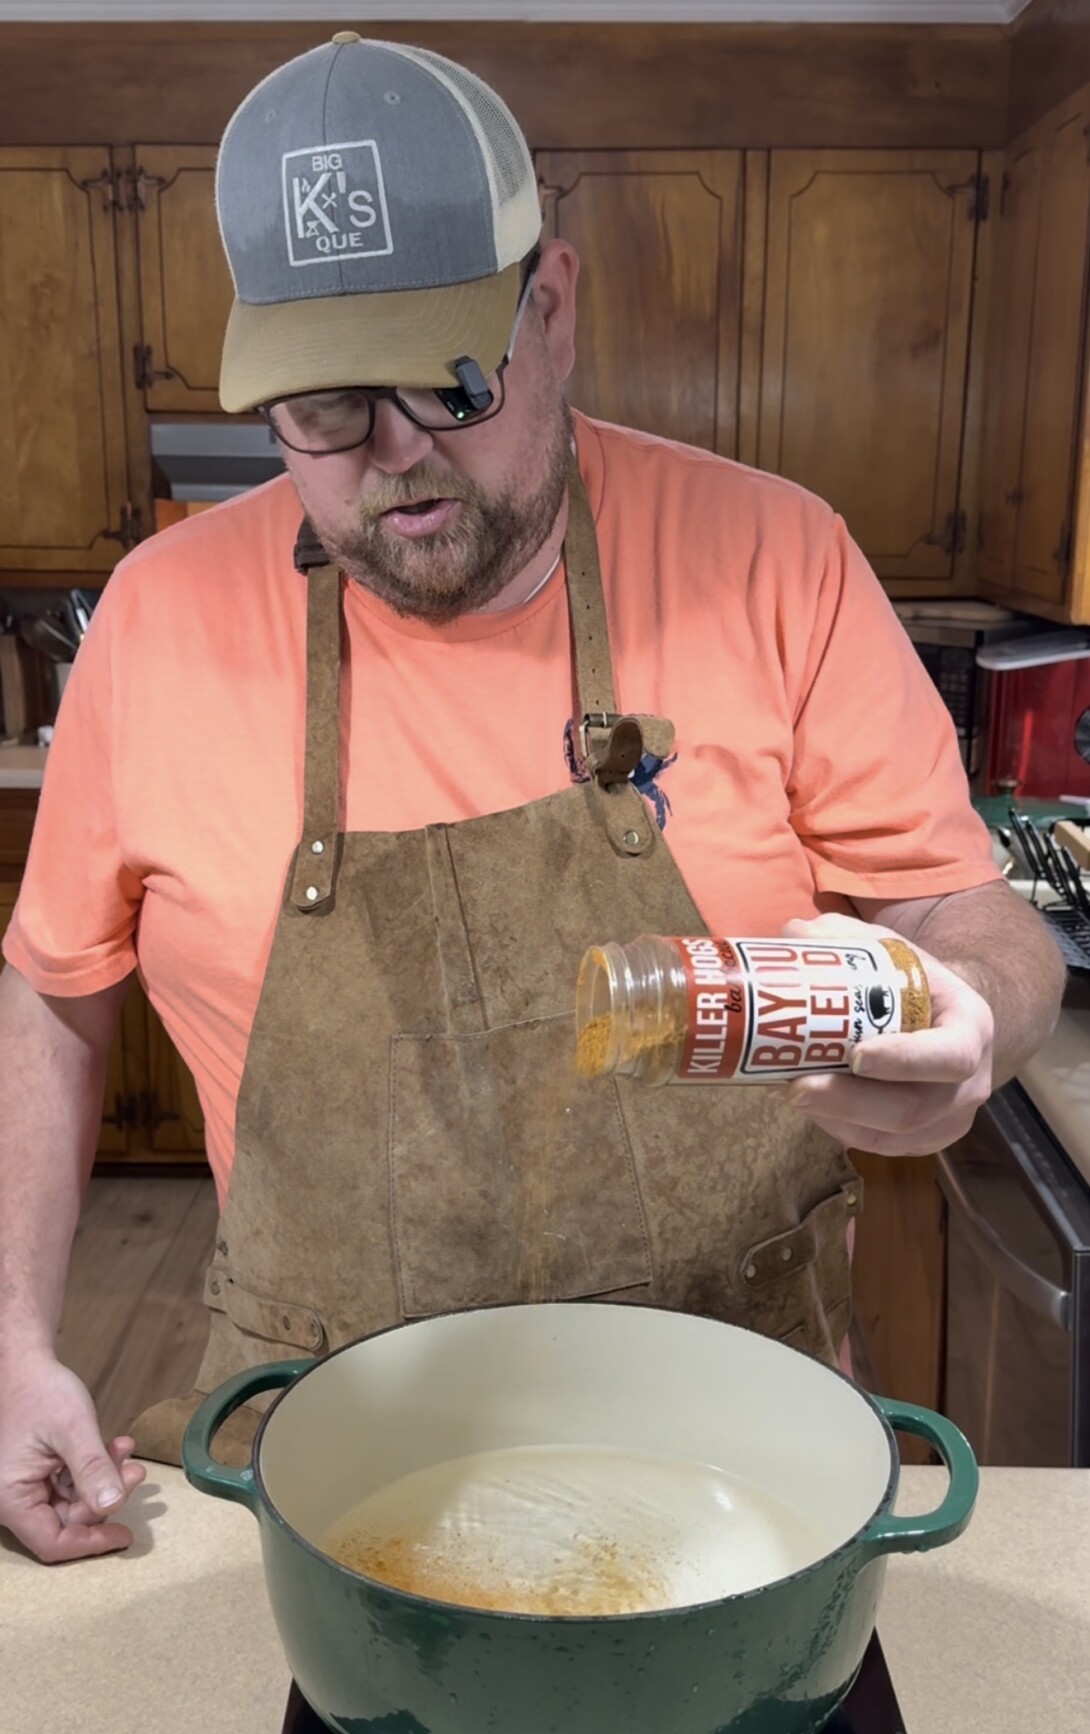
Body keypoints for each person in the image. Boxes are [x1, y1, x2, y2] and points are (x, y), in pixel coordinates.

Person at [0, 34, 1064, 1566]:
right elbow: (51, 994)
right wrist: (19, 1337)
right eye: (323, 412)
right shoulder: (157, 623)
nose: (400, 464)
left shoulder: (776, 559)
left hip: (735, 1447)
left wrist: (977, 1010)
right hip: (323, 1444)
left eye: (449, 380)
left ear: (550, 306)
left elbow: (969, 919)